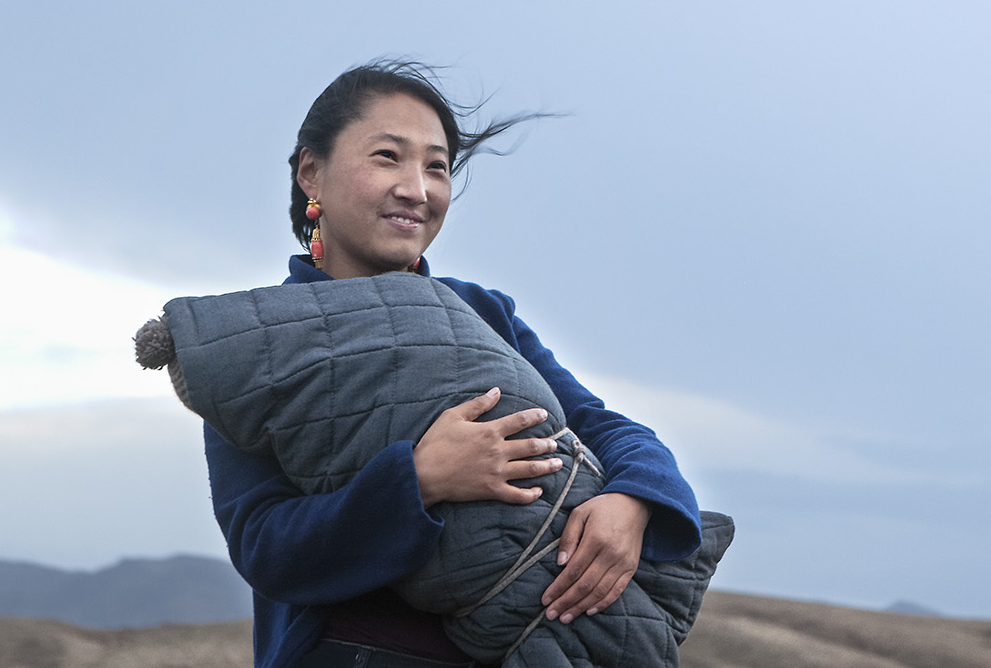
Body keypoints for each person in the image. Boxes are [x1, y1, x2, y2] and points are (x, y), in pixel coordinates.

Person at [203, 60, 703, 668]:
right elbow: (267, 549)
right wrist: (420, 479)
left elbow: (608, 429)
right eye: (388, 156)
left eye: (436, 167)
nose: (417, 188)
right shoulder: (256, 342)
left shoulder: (482, 312)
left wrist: (634, 502)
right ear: (313, 171)